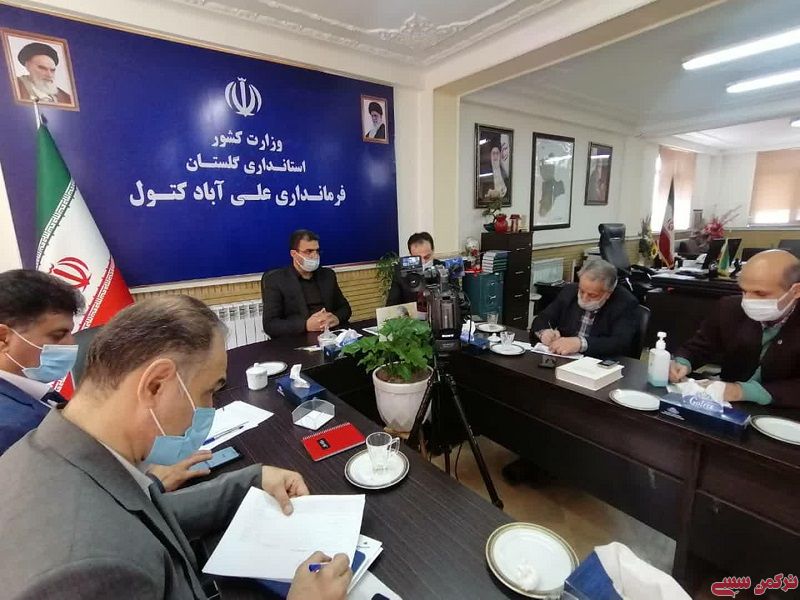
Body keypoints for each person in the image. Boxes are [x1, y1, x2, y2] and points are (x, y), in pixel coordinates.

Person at [0, 295, 351, 599]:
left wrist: (251, 479)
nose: (210, 408)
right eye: (208, 391)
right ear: (155, 385)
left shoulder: (52, 449)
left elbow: (143, 517)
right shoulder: (84, 572)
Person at [0, 269, 215, 491]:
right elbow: (68, 498)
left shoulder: (32, 392)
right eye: (58, 335)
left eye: (70, 333)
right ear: (3, 338)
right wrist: (153, 483)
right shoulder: (8, 428)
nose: (71, 344)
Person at [669, 249, 800, 407]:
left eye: (760, 293)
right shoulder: (730, 308)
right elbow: (699, 347)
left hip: (784, 411)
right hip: (727, 406)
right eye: (744, 291)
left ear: (795, 291)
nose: (748, 300)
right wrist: (682, 362)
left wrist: (742, 391)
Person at [531, 259, 639, 358]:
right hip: (565, 357)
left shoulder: (625, 303)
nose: (584, 298)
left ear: (608, 293)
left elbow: (620, 342)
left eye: (592, 295)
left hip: (597, 362)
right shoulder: (569, 291)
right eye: (582, 291)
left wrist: (580, 343)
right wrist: (544, 332)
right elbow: (542, 318)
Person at [262, 229, 352, 337]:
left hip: (331, 335)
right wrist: (305, 325)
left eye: (317, 251)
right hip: (299, 338)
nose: (315, 256)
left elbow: (345, 308)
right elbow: (270, 325)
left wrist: (336, 318)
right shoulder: (276, 280)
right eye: (309, 251)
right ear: (294, 254)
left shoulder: (328, 275)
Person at [386, 231, 441, 310]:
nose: (423, 262)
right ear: (411, 255)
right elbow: (391, 305)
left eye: (427, 257)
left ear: (433, 250)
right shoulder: (400, 272)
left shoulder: (444, 268)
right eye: (418, 258)